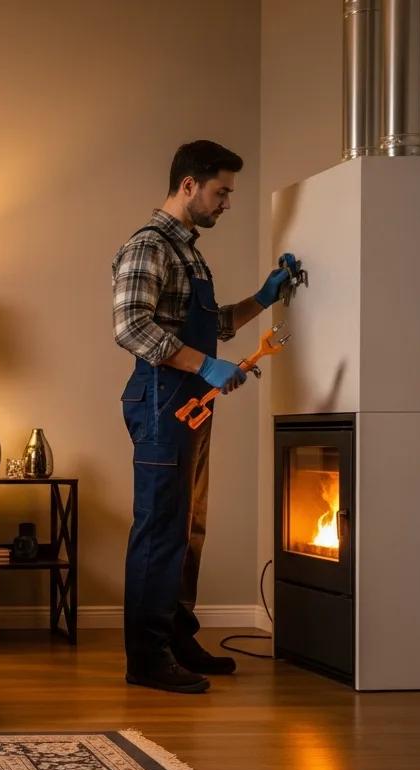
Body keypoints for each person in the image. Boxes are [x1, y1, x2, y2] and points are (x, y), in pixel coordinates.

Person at [112, 139, 296, 694]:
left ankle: (176, 636)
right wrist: (205, 368)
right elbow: (130, 328)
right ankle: (146, 658)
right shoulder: (149, 246)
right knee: (160, 527)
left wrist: (263, 299)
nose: (226, 203)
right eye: (221, 192)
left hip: (190, 403)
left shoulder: (188, 250)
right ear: (188, 185)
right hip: (161, 400)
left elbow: (209, 326)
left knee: (189, 526)